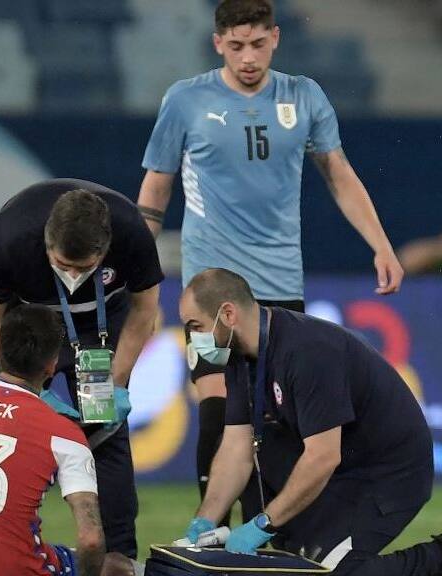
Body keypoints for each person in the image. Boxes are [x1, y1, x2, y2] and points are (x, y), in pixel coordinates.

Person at [136, 0, 404, 517]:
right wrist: (143, 274)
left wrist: (381, 244)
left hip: (281, 284)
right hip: (209, 286)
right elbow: (158, 183)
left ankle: (270, 538)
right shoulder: (186, 100)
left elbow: (338, 173)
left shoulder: (303, 97)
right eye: (236, 46)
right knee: (216, 408)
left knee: (278, 421)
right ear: (218, 44)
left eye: (257, 44)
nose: (248, 57)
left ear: (275, 38)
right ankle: (211, 539)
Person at [179, 268, 441, 576]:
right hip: (346, 466)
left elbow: (323, 456)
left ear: (227, 314)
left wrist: (264, 523)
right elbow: (236, 446)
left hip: (390, 470)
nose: (193, 339)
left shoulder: (306, 352)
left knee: (333, 573)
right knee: (300, 565)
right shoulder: (240, 358)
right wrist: (205, 520)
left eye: (195, 326)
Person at [0, 179, 164, 559]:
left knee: (106, 435)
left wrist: (118, 382)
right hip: (24, 324)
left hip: (98, 329)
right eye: (63, 265)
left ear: (105, 250)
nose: (73, 277)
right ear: (46, 244)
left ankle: (119, 557)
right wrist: (31, 392)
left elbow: (145, 311)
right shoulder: (9, 237)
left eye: (85, 268)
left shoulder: (131, 234)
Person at [0, 304, 141, 576]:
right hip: (18, 569)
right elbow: (91, 539)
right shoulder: (63, 433)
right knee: (118, 567)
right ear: (51, 366)